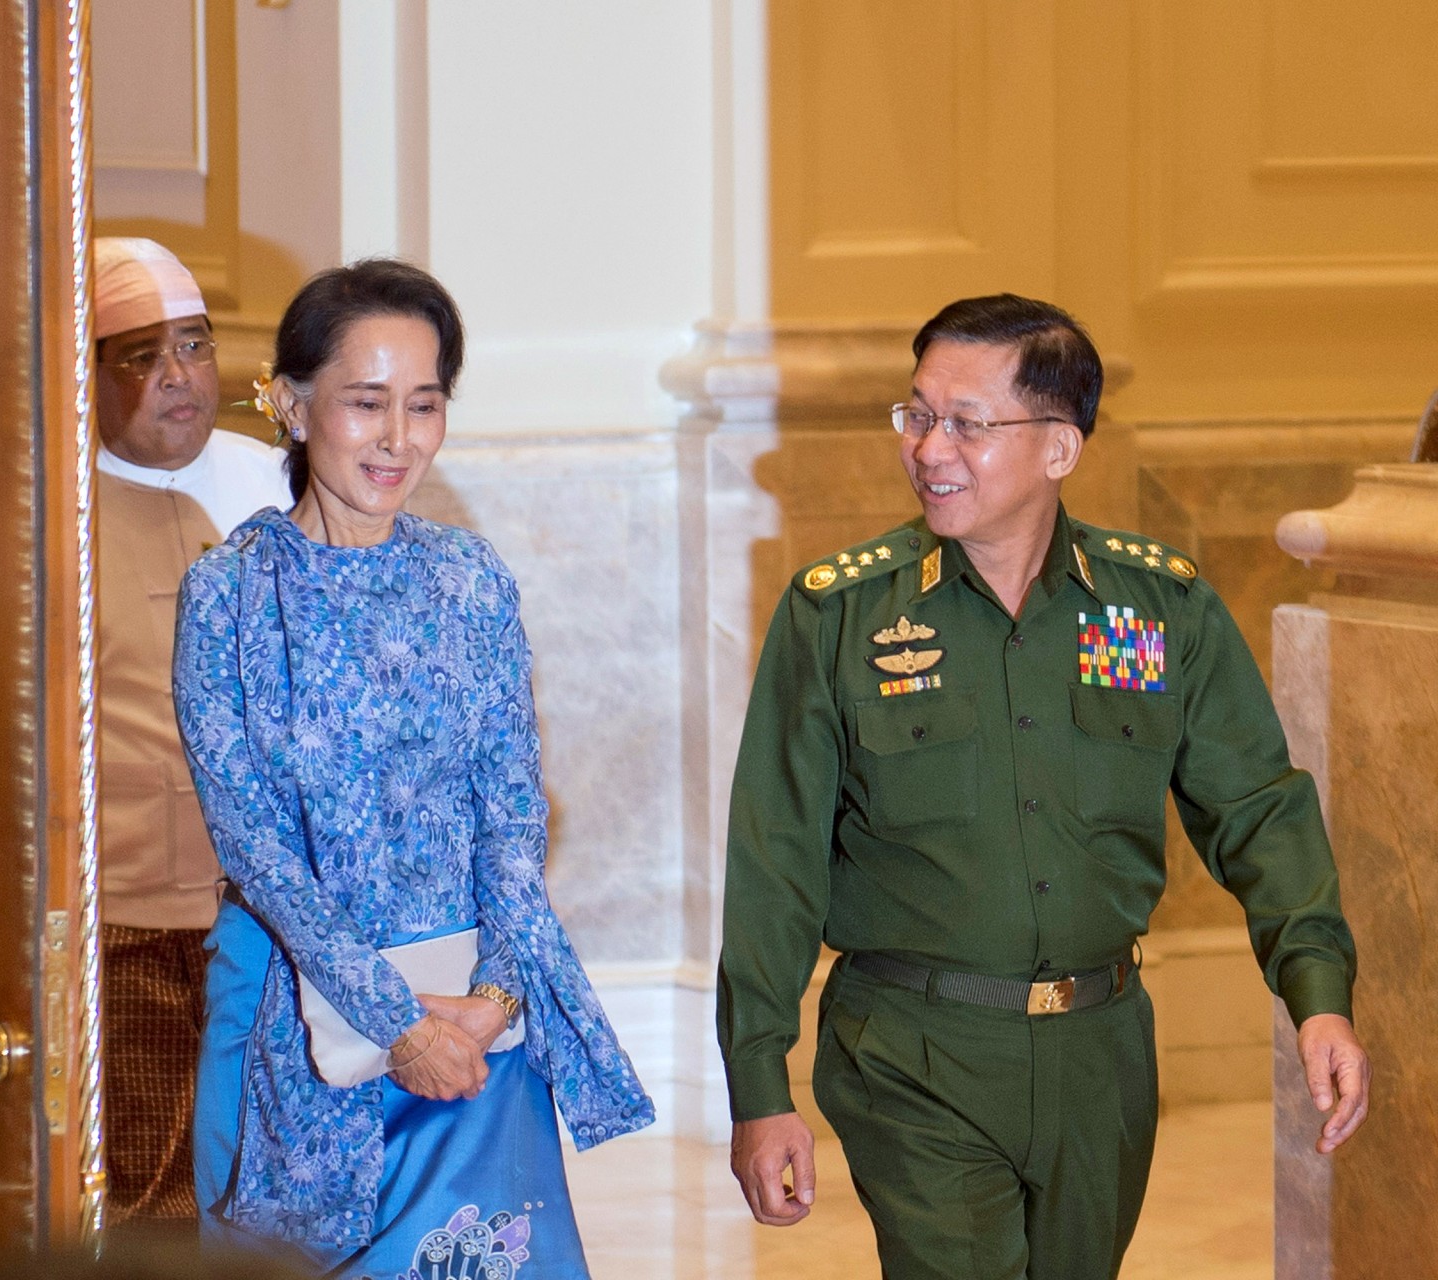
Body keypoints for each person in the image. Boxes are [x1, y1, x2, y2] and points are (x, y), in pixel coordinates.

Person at [719, 294, 1369, 1280]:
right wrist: (760, 1085)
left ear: (1060, 447)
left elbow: (1256, 808)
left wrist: (1317, 994)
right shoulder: (841, 617)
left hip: (1101, 1058)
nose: (929, 447)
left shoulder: (1150, 612)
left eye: (967, 423)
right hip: (914, 1049)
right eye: (917, 414)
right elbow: (775, 858)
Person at [175, 259, 654, 1275]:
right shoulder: (229, 595)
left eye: (425, 404)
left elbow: (512, 812)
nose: (399, 438)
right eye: (367, 402)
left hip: (471, 1015)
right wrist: (393, 1022)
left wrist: (496, 994)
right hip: (298, 1012)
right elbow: (254, 846)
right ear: (291, 404)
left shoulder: (468, 577)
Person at [92, 237, 291, 1226]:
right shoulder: (38, 509)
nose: (179, 375)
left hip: (279, 910)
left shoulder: (277, 486)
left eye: (196, 345)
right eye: (143, 354)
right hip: (127, 922)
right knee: (154, 1197)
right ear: (84, 373)